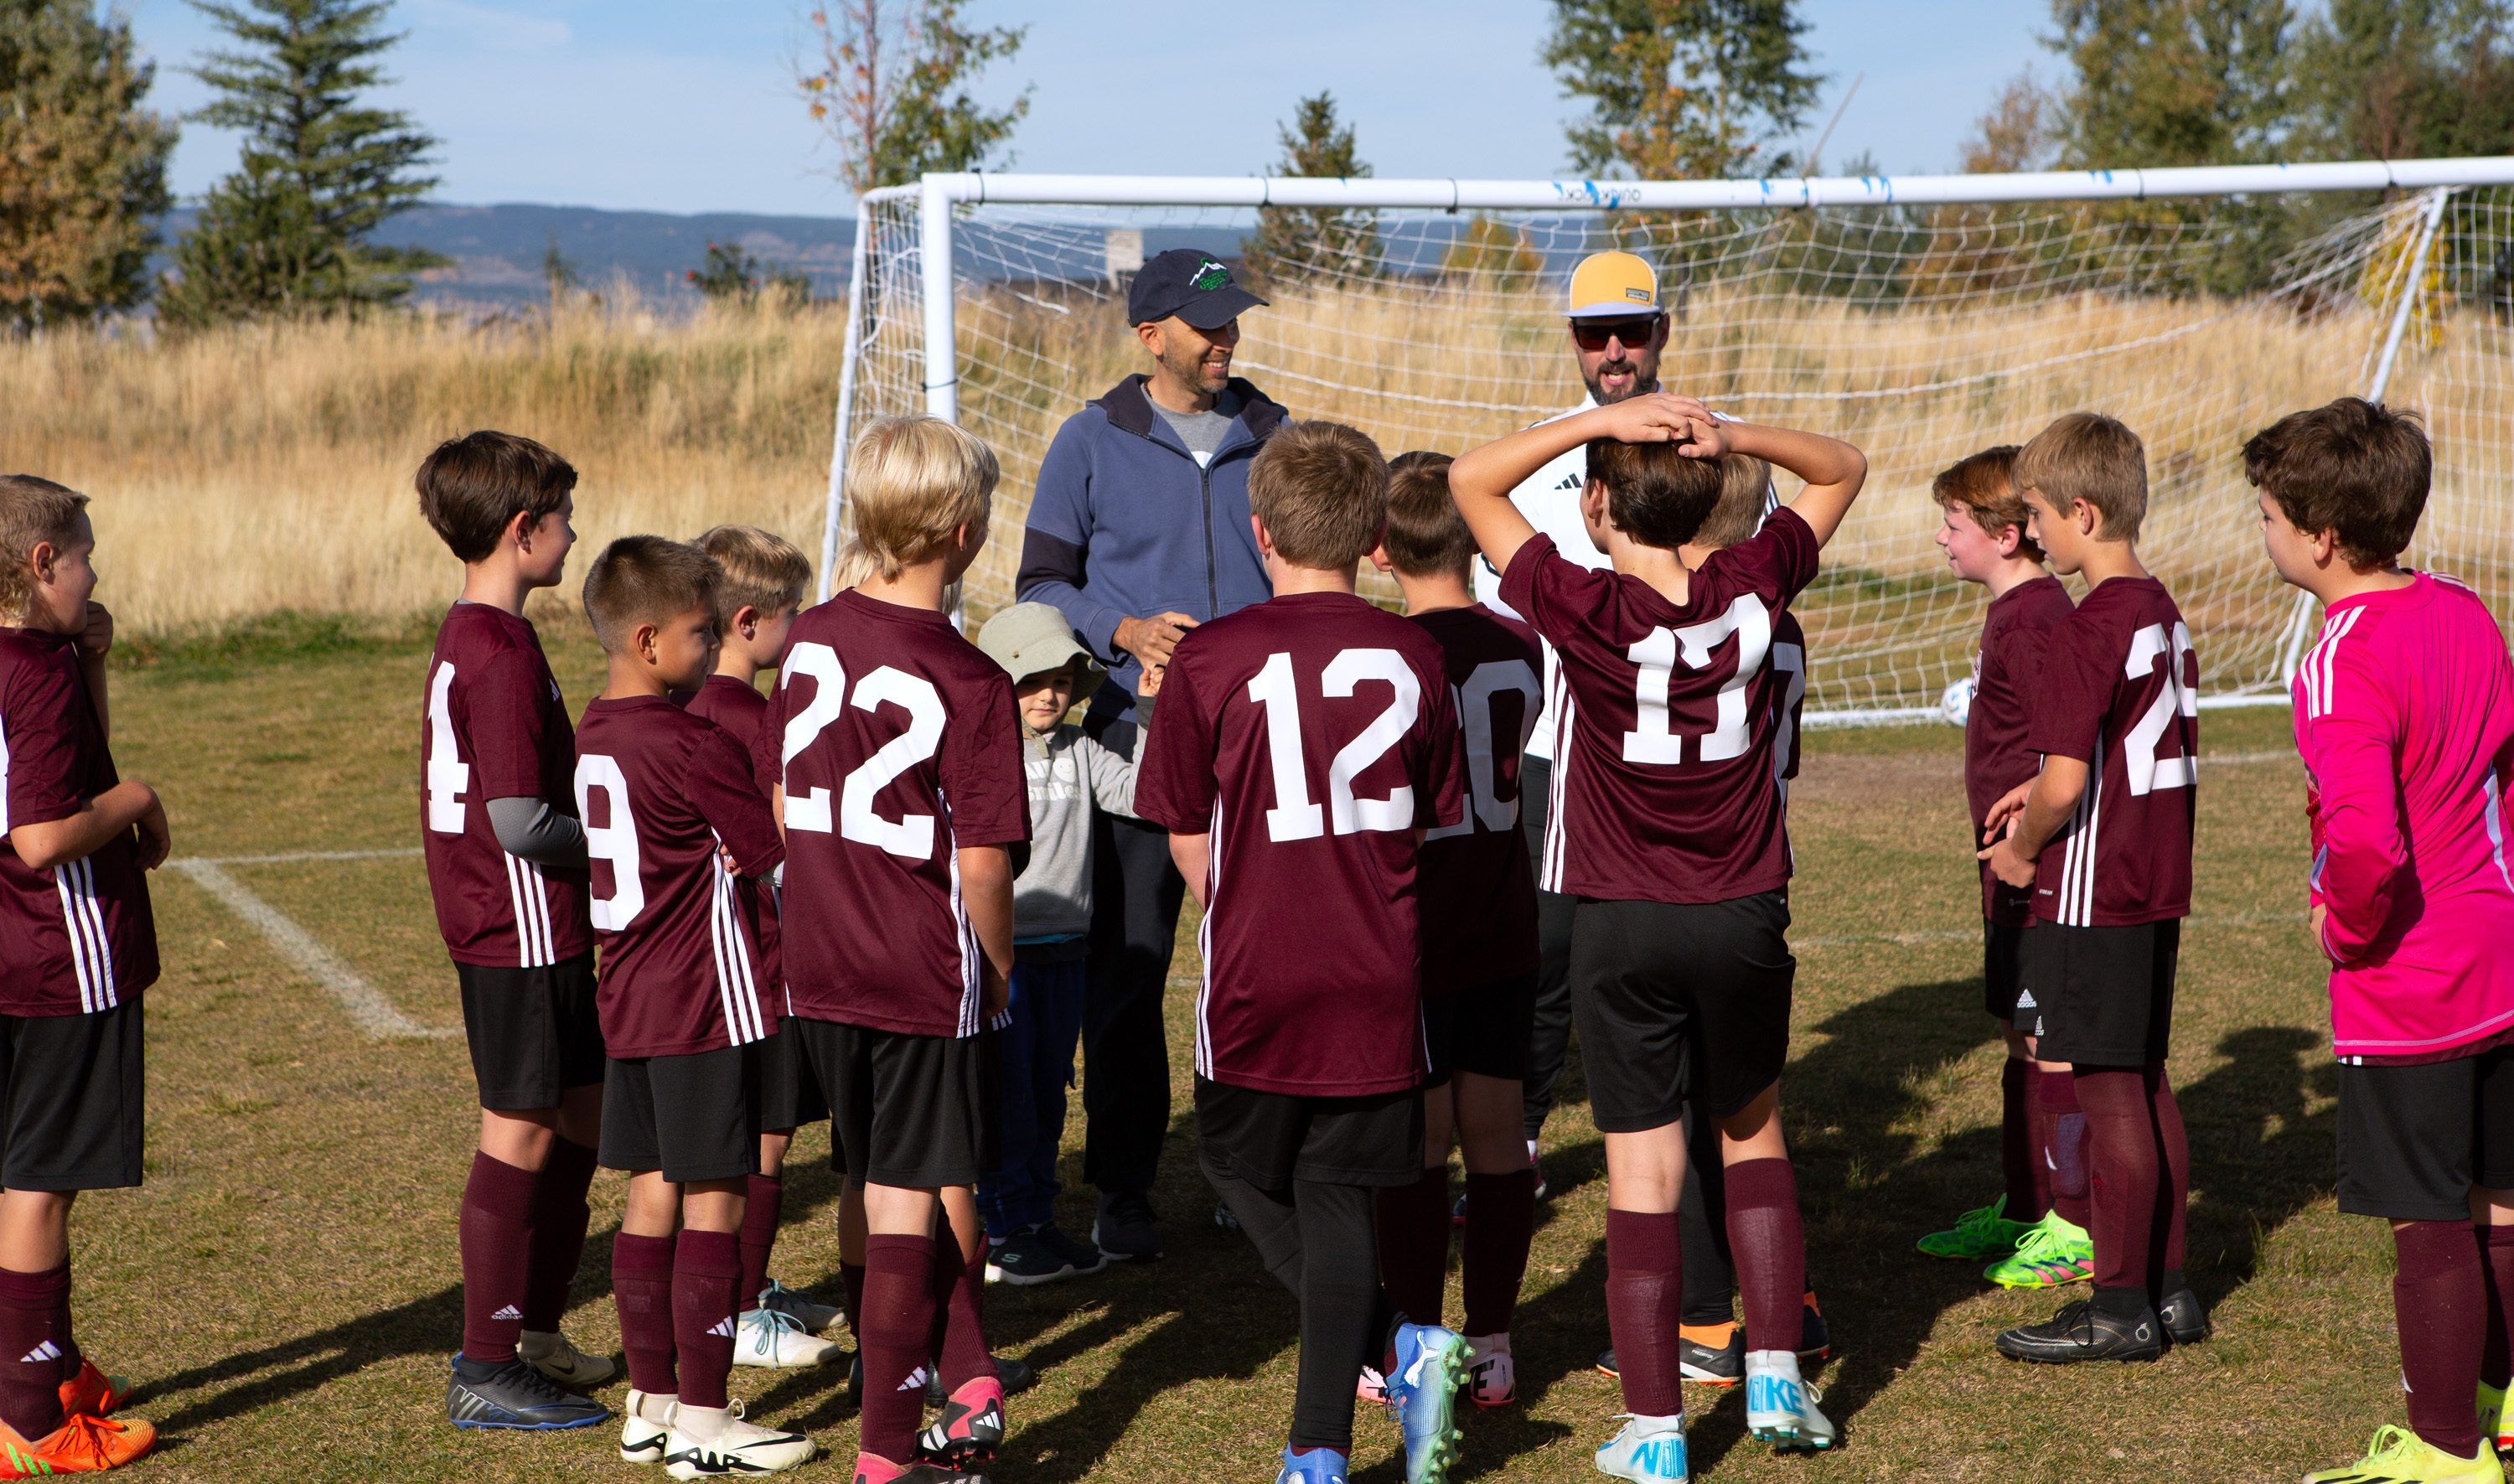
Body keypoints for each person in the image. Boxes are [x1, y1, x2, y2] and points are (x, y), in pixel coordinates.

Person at [1451, 392, 1866, 1480]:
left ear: (1596, 507)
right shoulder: (1752, 584)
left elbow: (1471, 480)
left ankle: (1656, 1427)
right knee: (1752, 1130)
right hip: (1740, 908)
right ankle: (1775, 1366)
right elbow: (1842, 465)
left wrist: (1610, 416)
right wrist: (1731, 436)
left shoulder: (1580, 603)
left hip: (1621, 919)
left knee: (1642, 1172)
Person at [1132, 420, 1470, 1484]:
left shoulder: (1212, 657)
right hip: (1378, 964)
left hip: (1258, 966)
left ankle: (1383, 1361)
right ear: (1377, 533)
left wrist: (1238, 900)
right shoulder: (1417, 650)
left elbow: (1184, 822)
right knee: (1336, 1194)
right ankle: (1327, 1437)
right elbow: (1429, 818)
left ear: (1257, 528)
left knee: (1235, 1160)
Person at [2247, 401, 2514, 1484]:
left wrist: (2341, 923)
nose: (2260, 532)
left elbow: (2364, 842)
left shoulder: (2339, 663)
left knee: (2426, 1217)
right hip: (2504, 944)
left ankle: (2449, 1447)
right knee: (2502, 1194)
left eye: (2265, 514)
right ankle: (2500, 1413)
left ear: (2318, 533)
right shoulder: (2468, 611)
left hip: (2414, 976)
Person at [768, 416, 1027, 1484]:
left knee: (876, 1181)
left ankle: (947, 1377)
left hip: (817, 958)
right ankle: (886, 1454)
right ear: (965, 533)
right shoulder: (971, 679)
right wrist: (999, 970)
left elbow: (784, 801)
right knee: (907, 1198)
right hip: (920, 966)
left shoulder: (811, 634)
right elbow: (984, 867)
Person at [1017, 247, 1286, 1259]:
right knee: (1129, 977)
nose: (1226, 338)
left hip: (1262, 753)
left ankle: (1254, 1173)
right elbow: (1042, 584)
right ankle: (1124, 1188)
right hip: (1132, 748)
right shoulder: (1089, 440)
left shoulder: (1276, 434)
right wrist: (1121, 632)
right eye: (1205, 323)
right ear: (1149, 335)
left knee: (1260, 970)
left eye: (1232, 320)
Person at [573, 536, 814, 1477]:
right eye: (700, 633)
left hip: (630, 990)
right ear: (645, 638)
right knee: (716, 1197)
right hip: (708, 996)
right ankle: (706, 1419)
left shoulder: (594, 729)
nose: (714, 650)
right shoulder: (693, 742)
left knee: (651, 1192)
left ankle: (652, 1401)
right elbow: (765, 849)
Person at [1591, 452, 1829, 1391]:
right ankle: (1784, 1321)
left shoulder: (1613, 614)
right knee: (1746, 1115)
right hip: (1749, 879)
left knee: (1665, 1134)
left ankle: (1700, 1319)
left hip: (1644, 886)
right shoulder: (1773, 609)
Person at [1980, 412, 2207, 1363]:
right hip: (2155, 875)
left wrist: (2025, 848)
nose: (2032, 533)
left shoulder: (2086, 626)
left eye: (2035, 513)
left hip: (2092, 886)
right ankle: (2172, 1288)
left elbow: (2070, 781)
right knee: (2147, 1081)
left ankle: (2117, 1305)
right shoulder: (2158, 606)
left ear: (2081, 509)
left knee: (2109, 1092)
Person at [1466, 251, 1689, 1214]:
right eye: (1593, 334)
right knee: (1545, 950)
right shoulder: (1538, 455)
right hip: (1556, 755)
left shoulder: (1708, 449)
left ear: (1661, 334)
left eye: (1630, 332)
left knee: (1670, 947)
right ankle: (1520, 1137)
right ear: (1570, 340)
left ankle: (1686, 1129)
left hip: (1677, 754)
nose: (1613, 352)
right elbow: (1495, 610)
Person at [415, 431, 615, 1431]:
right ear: (520, 529)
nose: (576, 536)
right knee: (522, 1129)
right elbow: (519, 822)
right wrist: (624, 857)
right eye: (564, 519)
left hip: (537, 924)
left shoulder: (490, 633)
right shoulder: (493, 651)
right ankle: (484, 1363)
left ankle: (535, 1331)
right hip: (520, 926)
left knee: (582, 1119)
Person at [1362, 452, 1543, 1411]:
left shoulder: (1390, 656)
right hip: (1505, 910)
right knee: (1500, 1134)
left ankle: (1421, 1343)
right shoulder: (1521, 644)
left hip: (1420, 922)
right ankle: (1497, 1340)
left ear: (1379, 550)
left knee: (1422, 1144)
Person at [0, 475, 163, 1475]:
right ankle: (29, 1414)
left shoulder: (36, 659)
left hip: (10, 950)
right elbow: (44, 835)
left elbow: (67, 761)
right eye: (86, 554)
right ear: (41, 564)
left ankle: (45, 1362)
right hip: (62, 953)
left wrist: (92, 661)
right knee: (40, 1180)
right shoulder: (34, 671)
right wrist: (141, 797)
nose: (97, 571)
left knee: (24, 1171)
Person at [1912, 449, 2090, 1287]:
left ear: (2007, 534)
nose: (1942, 537)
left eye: (1954, 523)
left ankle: (2074, 1225)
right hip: (2006, 867)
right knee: (2021, 1037)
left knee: (2050, 1042)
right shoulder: (2011, 613)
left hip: (2041, 868)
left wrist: (2031, 802)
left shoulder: (2036, 618)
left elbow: (2078, 735)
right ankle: (2025, 1209)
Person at [675, 524, 846, 1368]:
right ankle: (741, 1309)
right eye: (792, 612)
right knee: (769, 1135)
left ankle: (751, 1287)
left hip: (722, 951)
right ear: (747, 623)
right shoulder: (748, 715)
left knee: (756, 1132)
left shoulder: (694, 703)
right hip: (759, 951)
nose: (802, 624)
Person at [971, 602, 1135, 1286]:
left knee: (1048, 1090)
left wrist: (1153, 713)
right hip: (1004, 960)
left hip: (1067, 953)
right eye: (1032, 678)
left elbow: (1145, 793)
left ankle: (1037, 1219)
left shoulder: (1083, 749)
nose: (1049, 693)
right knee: (1006, 1093)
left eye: (1062, 680)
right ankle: (1000, 1232)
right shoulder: (982, 755)